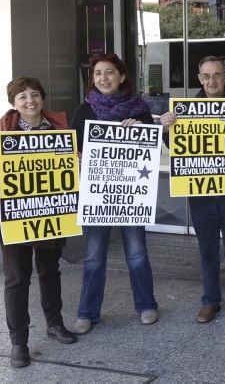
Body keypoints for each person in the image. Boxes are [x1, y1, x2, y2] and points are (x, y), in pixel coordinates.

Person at [0, 77, 77, 368]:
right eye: (22, 97)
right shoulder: (2, 135)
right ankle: (19, 342)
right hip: (15, 215)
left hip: (52, 212)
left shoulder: (60, 130)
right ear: (13, 104)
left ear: (42, 97)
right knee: (16, 278)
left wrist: (76, 160)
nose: (30, 101)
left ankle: (54, 324)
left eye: (34, 95)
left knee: (50, 271)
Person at [70, 53, 158, 334]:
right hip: (98, 193)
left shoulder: (140, 109)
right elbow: (72, 151)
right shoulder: (84, 111)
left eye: (109, 72)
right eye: (97, 74)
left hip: (130, 195)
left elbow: (153, 148)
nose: (103, 78)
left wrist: (143, 130)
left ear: (121, 76)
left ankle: (146, 305)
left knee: (137, 253)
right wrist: (79, 156)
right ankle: (87, 312)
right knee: (94, 256)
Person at [160, 56, 225, 324]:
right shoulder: (184, 109)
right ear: (199, 79)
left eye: (217, 75)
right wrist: (166, 128)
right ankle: (210, 301)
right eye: (206, 76)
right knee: (207, 248)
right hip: (200, 191)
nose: (212, 80)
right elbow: (173, 145)